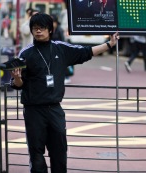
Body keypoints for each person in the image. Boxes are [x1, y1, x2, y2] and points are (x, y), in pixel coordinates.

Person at [9, 13, 119, 173]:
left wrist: (109, 44)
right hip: (33, 110)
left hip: (55, 109)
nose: (38, 31)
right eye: (35, 29)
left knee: (59, 152)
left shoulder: (61, 48)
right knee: (36, 153)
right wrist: (17, 78)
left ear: (50, 30)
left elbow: (86, 52)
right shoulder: (26, 54)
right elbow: (18, 85)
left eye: (42, 28)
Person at [51, 14, 73, 84]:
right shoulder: (50, 30)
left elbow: (63, 41)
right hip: (52, 50)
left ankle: (66, 77)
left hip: (59, 50)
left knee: (60, 64)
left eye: (53, 22)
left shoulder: (59, 30)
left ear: (56, 22)